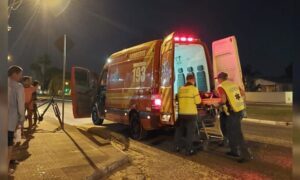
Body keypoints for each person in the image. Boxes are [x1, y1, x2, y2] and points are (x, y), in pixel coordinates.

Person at [215, 72, 253, 163]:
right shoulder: (233, 84)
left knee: (237, 134)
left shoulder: (221, 87)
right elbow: (243, 93)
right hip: (239, 109)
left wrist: (216, 105)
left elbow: (223, 100)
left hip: (233, 112)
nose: (217, 81)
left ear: (220, 79)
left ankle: (246, 155)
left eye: (218, 79)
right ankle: (234, 151)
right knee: (230, 131)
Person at [174, 74, 202, 155]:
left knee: (179, 131)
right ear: (193, 80)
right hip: (191, 114)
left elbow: (177, 100)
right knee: (190, 133)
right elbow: (198, 102)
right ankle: (188, 150)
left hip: (181, 114)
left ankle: (176, 147)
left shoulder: (180, 89)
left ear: (186, 80)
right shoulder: (194, 89)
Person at [8, 66, 25, 174]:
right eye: (20, 74)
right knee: (8, 145)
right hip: (9, 121)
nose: (21, 77)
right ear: (14, 73)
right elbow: (20, 106)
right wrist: (21, 119)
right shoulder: (18, 86)